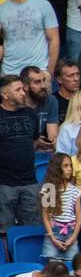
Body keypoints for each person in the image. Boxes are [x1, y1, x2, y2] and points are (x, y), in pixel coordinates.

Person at [0, 74, 44, 232]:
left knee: (32, 228)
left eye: (23, 89)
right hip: (4, 184)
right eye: (17, 90)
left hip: (30, 182)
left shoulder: (30, 114)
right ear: (5, 95)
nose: (23, 93)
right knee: (4, 231)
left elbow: (33, 143)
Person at [0, 0, 59, 75]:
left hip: (38, 71)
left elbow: (54, 40)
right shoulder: (1, 9)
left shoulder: (43, 5)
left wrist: (49, 73)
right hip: (10, 73)